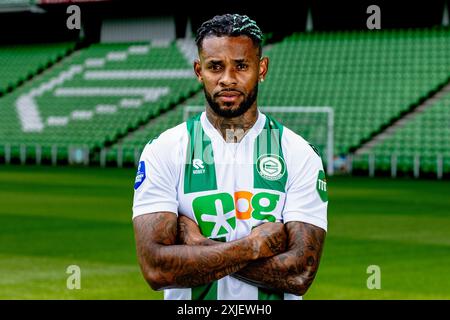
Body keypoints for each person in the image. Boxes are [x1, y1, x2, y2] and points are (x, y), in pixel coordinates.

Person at [132, 13, 328, 300]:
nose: (227, 79)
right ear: (199, 71)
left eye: (241, 66)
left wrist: (199, 246)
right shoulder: (165, 150)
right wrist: (252, 246)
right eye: (215, 67)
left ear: (261, 68)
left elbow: (299, 274)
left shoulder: (298, 154)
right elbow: (157, 269)